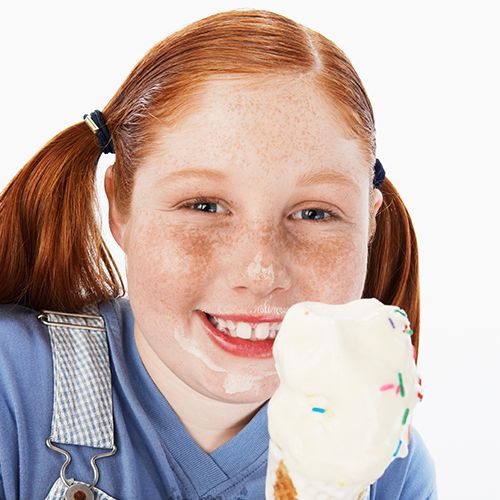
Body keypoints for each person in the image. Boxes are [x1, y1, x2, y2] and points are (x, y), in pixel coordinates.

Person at [0, 9, 436, 500]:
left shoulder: (388, 467)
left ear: (370, 221)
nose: (261, 271)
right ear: (120, 206)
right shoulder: (10, 387)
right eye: (204, 206)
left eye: (314, 214)